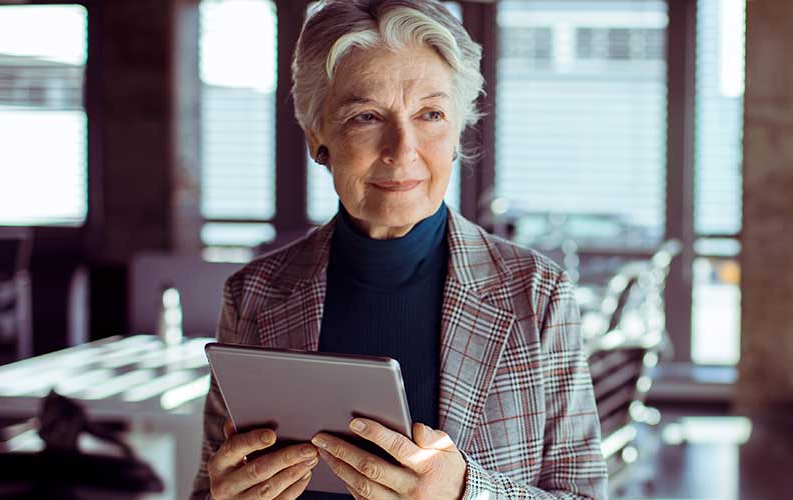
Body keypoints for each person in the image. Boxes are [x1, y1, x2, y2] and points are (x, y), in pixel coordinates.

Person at [190, 1, 606, 499]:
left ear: (457, 131)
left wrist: (463, 493)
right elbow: (209, 484)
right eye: (366, 116)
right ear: (316, 135)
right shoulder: (253, 294)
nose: (402, 148)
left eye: (430, 114)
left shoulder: (537, 293)